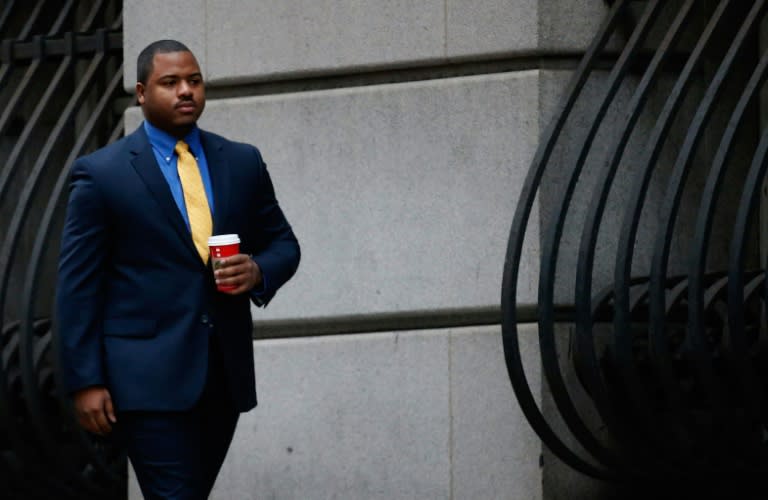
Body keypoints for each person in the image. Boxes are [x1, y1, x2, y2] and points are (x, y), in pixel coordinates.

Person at [56, 39, 300, 499]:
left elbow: (284, 243)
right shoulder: (102, 174)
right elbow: (77, 286)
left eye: (194, 81)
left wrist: (258, 271)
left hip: (221, 376)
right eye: (171, 83)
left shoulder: (241, 161)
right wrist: (85, 381)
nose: (186, 91)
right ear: (142, 93)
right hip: (143, 382)